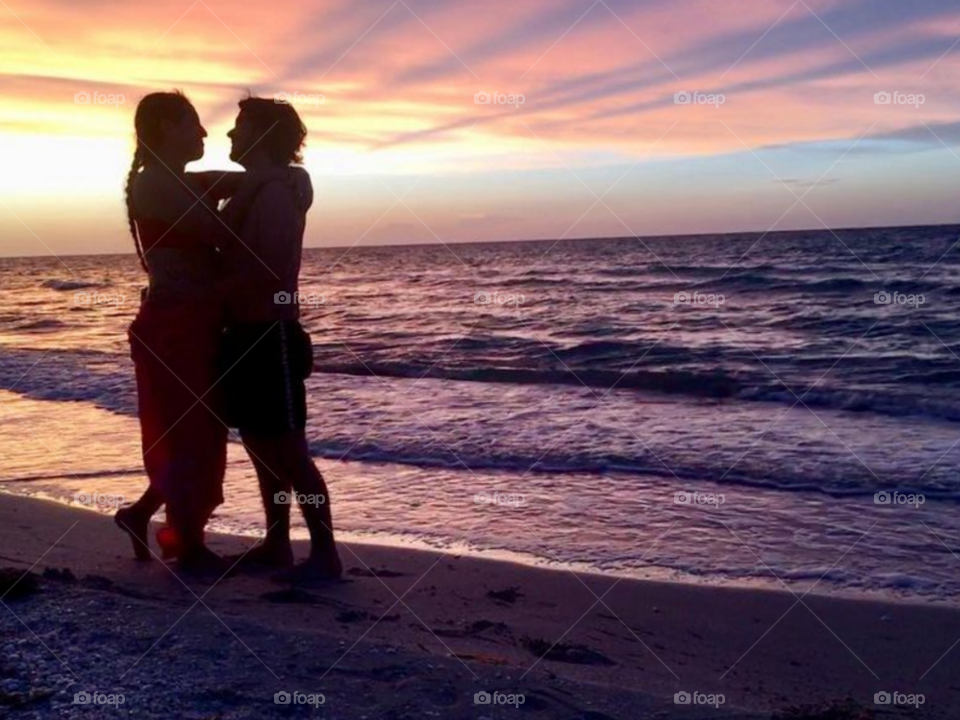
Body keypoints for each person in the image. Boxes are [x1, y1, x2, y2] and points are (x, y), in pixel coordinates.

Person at [115, 91, 282, 572]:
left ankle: (141, 514)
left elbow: (225, 182)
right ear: (166, 127)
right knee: (189, 435)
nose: (205, 134)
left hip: (195, 322)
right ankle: (187, 545)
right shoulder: (156, 185)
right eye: (193, 124)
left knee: (199, 431)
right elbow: (223, 233)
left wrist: (276, 176)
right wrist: (264, 187)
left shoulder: (177, 181)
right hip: (173, 327)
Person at [219, 96, 342, 581]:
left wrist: (204, 289)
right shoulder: (261, 185)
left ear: (263, 137)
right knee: (260, 446)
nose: (230, 136)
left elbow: (265, 269)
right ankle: (276, 545)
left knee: (290, 452)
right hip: (247, 333)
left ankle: (326, 554)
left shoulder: (273, 194)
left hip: (270, 335)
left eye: (239, 128)